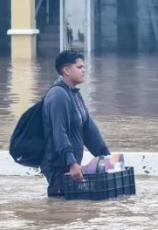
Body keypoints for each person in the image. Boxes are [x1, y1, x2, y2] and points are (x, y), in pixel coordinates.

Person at [41, 50, 111, 197]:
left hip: (73, 168)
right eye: (79, 67)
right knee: (59, 211)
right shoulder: (59, 95)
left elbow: (88, 129)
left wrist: (105, 156)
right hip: (60, 167)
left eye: (84, 67)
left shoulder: (75, 94)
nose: (84, 70)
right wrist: (71, 163)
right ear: (66, 70)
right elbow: (59, 133)